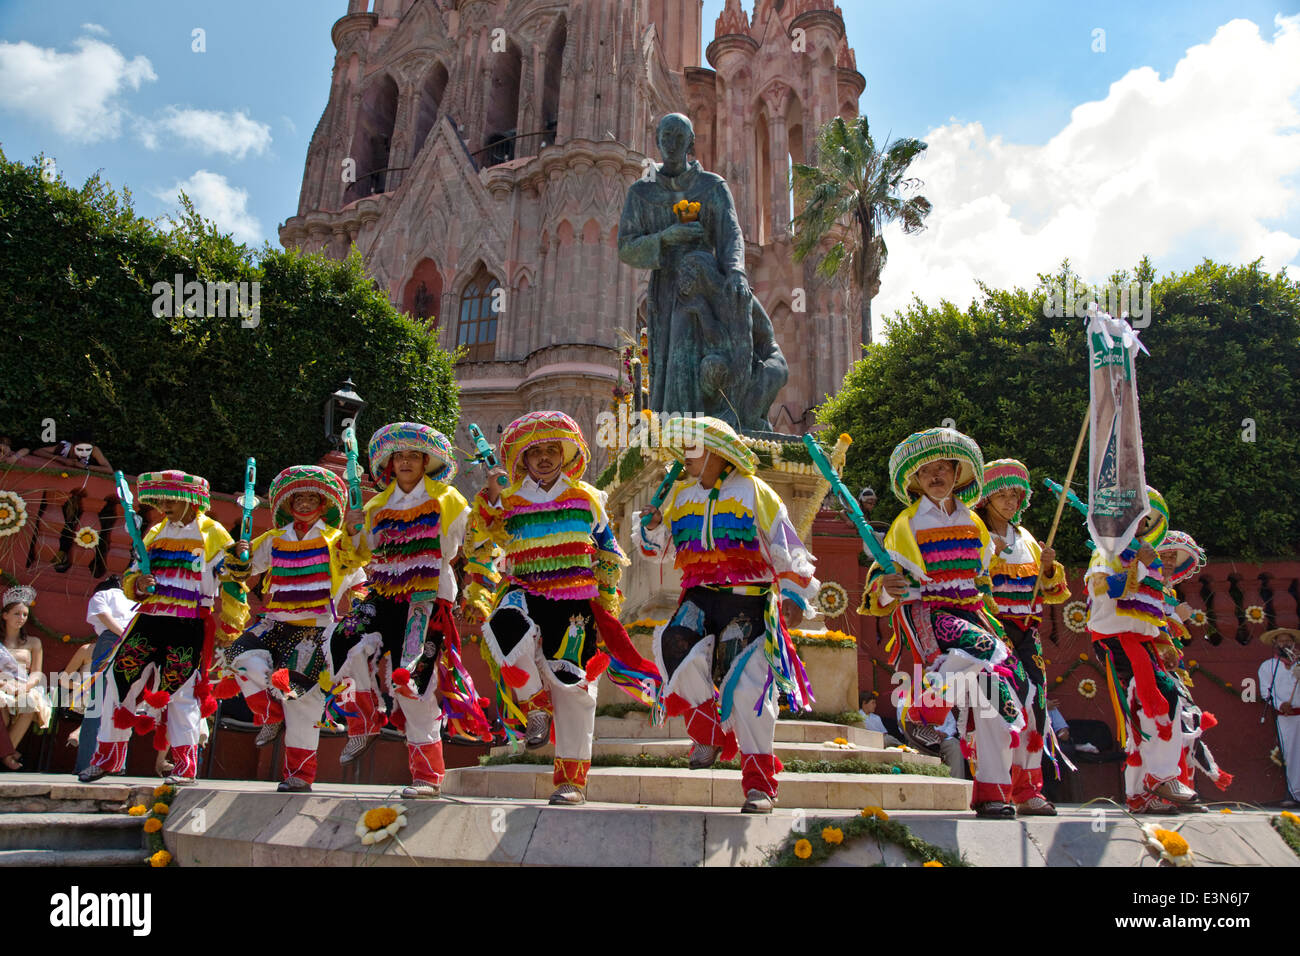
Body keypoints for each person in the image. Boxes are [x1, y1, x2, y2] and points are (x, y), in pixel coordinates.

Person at [469, 411, 660, 806]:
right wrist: (490, 494)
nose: (542, 458)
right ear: (521, 458)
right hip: (523, 590)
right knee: (502, 629)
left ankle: (571, 781)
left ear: (564, 454)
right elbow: (482, 534)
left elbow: (607, 552)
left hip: (575, 600)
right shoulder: (509, 497)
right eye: (534, 451)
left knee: (573, 688)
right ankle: (536, 705)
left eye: (550, 450)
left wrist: (607, 599)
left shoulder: (587, 497)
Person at [637, 416, 818, 813]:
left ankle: (759, 785)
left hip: (748, 599)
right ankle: (707, 729)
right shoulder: (679, 496)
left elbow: (787, 544)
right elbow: (656, 551)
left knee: (750, 688)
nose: (685, 455)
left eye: (693, 447)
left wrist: (794, 593)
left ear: (719, 453)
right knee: (673, 645)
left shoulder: (756, 491)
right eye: (682, 447)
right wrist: (651, 527)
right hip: (699, 596)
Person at [858, 427, 1029, 818]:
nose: (936, 476)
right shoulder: (906, 524)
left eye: (943, 468)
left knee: (996, 700)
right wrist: (888, 586)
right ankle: (924, 711)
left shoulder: (975, 523)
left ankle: (992, 793)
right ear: (915, 481)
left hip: (973, 614)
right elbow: (880, 583)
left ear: (957, 473)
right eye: (926, 471)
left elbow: (982, 579)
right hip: (931, 615)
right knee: (987, 650)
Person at [329, 423, 493, 799]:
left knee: (411, 680)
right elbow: (358, 554)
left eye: (413, 456)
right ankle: (366, 715)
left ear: (425, 462)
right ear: (390, 462)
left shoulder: (449, 499)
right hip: (383, 592)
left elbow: (469, 544)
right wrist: (352, 530)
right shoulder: (373, 504)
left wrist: (478, 586)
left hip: (427, 597)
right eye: (399, 456)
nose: (405, 462)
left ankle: (427, 775)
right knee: (342, 642)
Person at [78, 470, 249, 784]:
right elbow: (132, 574)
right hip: (148, 619)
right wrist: (139, 584)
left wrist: (231, 624)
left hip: (189, 622)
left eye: (170, 499)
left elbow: (234, 581)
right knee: (118, 681)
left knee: (182, 691)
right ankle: (107, 759)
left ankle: (185, 766)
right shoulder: (154, 532)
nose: (164, 505)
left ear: (190, 500)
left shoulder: (214, 533)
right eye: (160, 500)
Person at [217, 467, 367, 793]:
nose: (304, 503)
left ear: (324, 503)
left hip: (315, 629)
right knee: (240, 656)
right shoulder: (274, 539)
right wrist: (239, 555)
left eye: (312, 497)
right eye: (298, 497)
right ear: (288, 503)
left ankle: (299, 776)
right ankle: (269, 712)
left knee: (301, 702)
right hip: (275, 622)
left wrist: (357, 626)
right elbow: (242, 569)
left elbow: (359, 579)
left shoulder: (336, 541)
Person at [1087, 486, 1193, 813]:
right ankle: (1159, 777)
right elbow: (1103, 589)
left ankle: (1142, 792)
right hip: (1116, 640)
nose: (1141, 523)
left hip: (1142, 642)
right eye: (1135, 516)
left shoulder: (1148, 557)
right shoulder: (1106, 553)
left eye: (1145, 518)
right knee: (1156, 702)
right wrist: (1139, 566)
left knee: (1147, 711)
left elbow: (1152, 610)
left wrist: (1165, 643)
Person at [976, 459, 1071, 815]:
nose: (1010, 501)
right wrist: (988, 555)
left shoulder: (1028, 539)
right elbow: (964, 576)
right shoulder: (977, 532)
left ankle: (1028, 789)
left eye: (1015, 495)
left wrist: (1047, 567)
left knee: (1037, 706)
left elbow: (1051, 590)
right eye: (1002, 494)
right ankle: (994, 788)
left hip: (1026, 632)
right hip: (992, 628)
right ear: (987, 498)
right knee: (999, 707)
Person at [66, 576, 138, 772]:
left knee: (98, 705)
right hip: (133, 643)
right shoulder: (133, 599)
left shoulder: (102, 595)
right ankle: (116, 763)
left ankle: (88, 762)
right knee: (122, 704)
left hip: (111, 640)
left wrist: (121, 636)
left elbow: (104, 616)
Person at [1, 584, 52, 768]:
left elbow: (37, 672)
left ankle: (7, 755)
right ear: (5, 615)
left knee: (29, 703)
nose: (21, 618)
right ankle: (8, 754)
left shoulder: (33, 642)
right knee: (2, 710)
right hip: (2, 685)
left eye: (24, 614)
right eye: (16, 613)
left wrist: (25, 687)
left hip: (24, 685)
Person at [1258, 627, 1300, 808]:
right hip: (1285, 717)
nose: (1285, 644)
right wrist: (1281, 704)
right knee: (1290, 755)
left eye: (1287, 640)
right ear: (1275, 644)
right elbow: (1266, 691)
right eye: (1281, 641)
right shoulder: (1268, 666)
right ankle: (1295, 793)